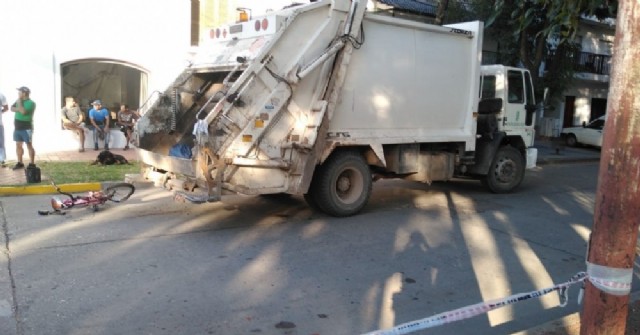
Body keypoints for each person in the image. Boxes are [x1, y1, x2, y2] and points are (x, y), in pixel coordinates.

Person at [10, 86, 36, 170]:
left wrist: (19, 104)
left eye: (19, 92)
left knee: (29, 145)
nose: (18, 94)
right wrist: (19, 107)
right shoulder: (18, 101)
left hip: (26, 128)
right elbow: (11, 108)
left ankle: (32, 163)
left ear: (24, 93)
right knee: (18, 145)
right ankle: (20, 162)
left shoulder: (31, 103)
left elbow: (23, 112)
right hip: (17, 127)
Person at [0, 91, 8, 167]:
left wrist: (0, 112)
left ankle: (2, 159)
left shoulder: (1, 95)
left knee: (1, 143)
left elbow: (6, 107)